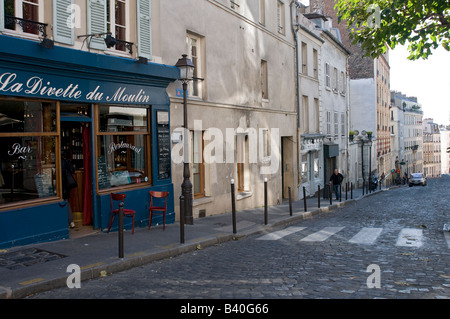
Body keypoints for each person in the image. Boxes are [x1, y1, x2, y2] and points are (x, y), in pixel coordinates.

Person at [62, 152, 76, 228]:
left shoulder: (58, 162)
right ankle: (71, 221)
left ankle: (68, 221)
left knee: (64, 202)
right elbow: (72, 170)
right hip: (65, 185)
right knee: (66, 202)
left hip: (60, 185)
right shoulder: (66, 162)